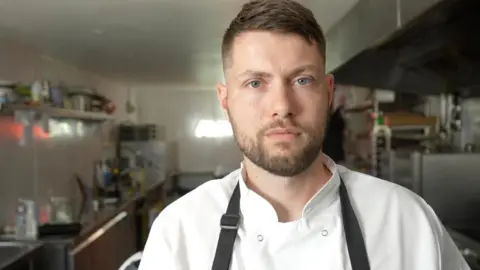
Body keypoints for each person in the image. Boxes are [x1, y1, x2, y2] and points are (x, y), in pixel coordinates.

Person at [139, 0, 469, 269]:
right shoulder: (180, 232)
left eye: (301, 80)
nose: (282, 106)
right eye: (255, 82)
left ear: (327, 92)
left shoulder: (406, 220)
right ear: (225, 99)